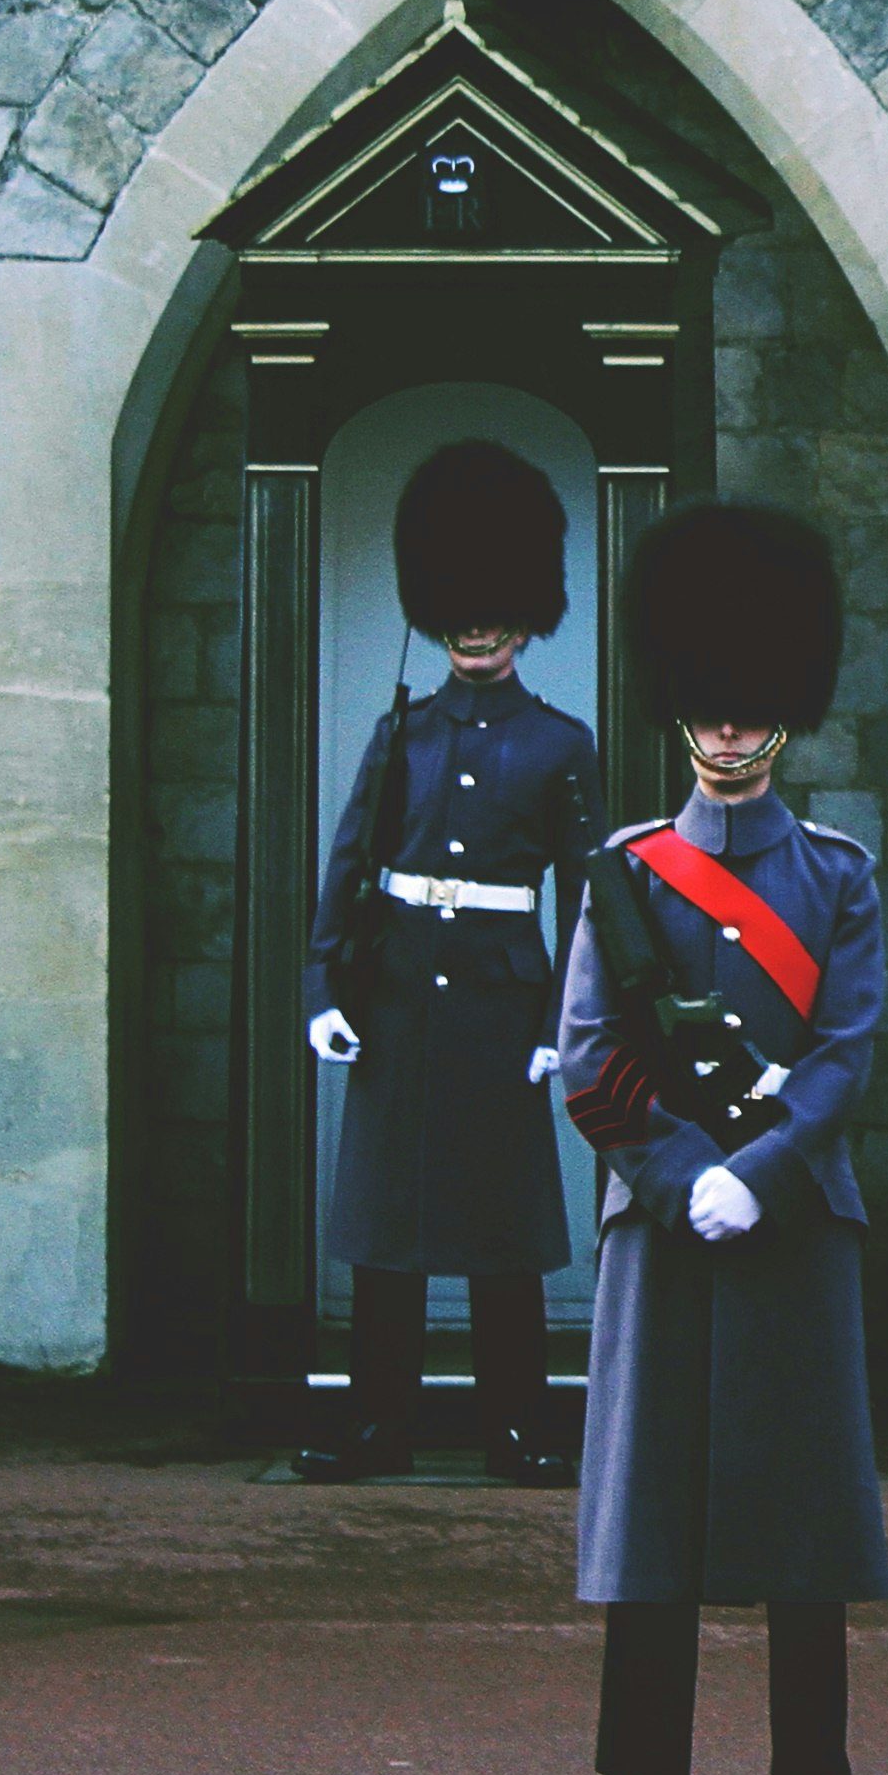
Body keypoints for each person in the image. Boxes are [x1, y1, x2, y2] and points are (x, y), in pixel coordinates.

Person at [547, 502, 888, 1775]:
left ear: (785, 715)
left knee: (800, 1510)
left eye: (753, 708)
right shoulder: (628, 872)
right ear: (684, 712)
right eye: (712, 706)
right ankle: (642, 1773)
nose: (732, 730)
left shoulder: (836, 877)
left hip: (793, 1215)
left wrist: (757, 1169)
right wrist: (686, 1169)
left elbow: (848, 1052)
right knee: (653, 1513)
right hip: (665, 1220)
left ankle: (814, 1771)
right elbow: (589, 1055)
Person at [297, 439, 599, 1488]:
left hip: (498, 1006)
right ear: (438, 612)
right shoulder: (404, 733)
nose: (478, 627)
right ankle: (375, 1422)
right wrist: (322, 990)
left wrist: (561, 1020)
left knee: (498, 1228)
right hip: (395, 1001)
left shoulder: (561, 744)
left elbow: (585, 900)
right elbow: (350, 866)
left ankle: (514, 1423)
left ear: (524, 616)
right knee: (386, 1227)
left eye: (495, 608)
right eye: (462, 608)